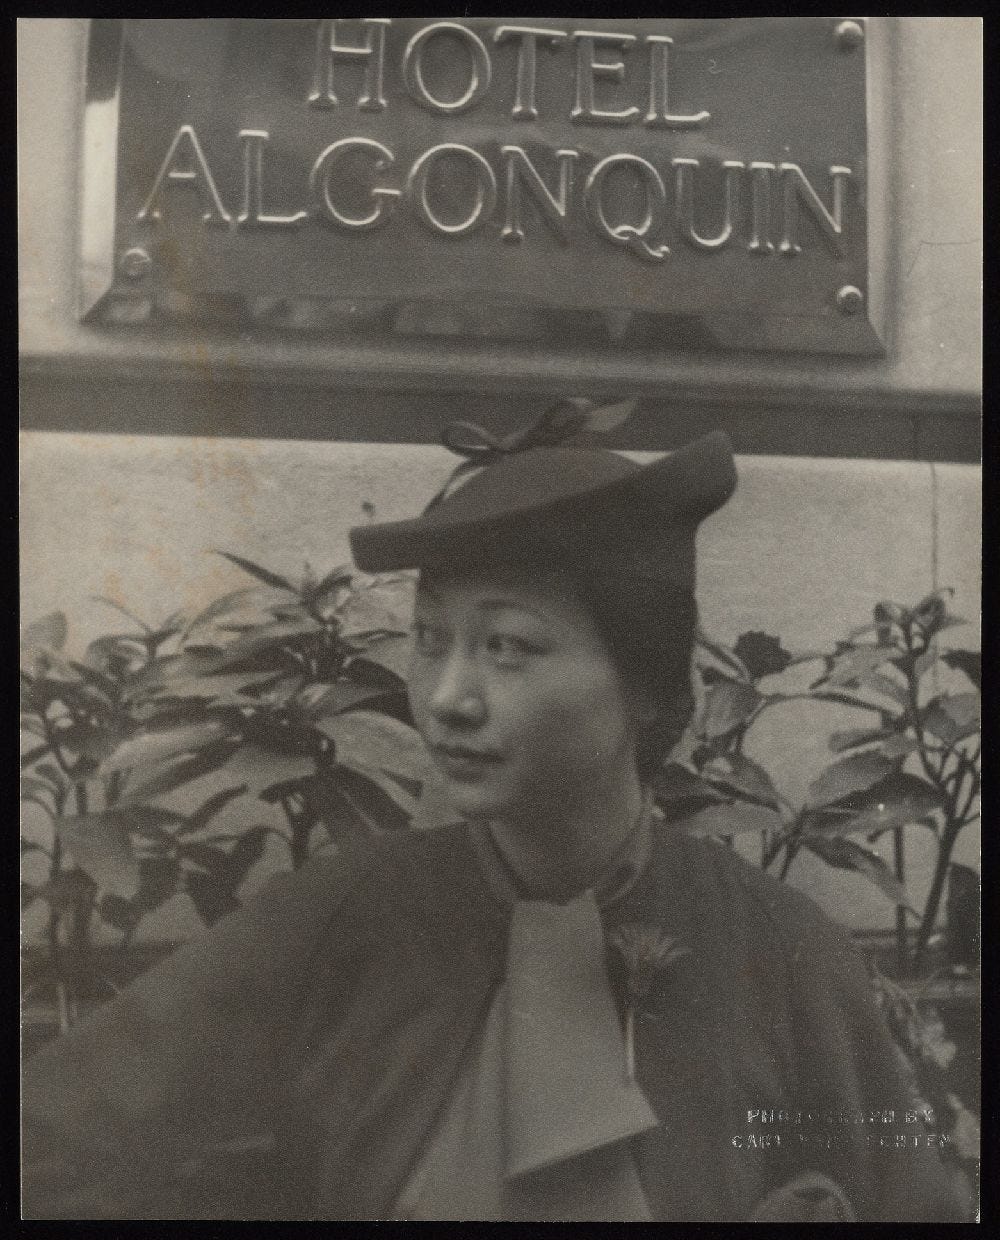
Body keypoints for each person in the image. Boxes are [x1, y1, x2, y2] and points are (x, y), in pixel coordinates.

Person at [22, 401, 963, 1221]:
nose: (447, 697)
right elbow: (49, 1149)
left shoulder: (782, 953)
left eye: (509, 647)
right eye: (430, 642)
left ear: (643, 687)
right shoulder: (337, 923)